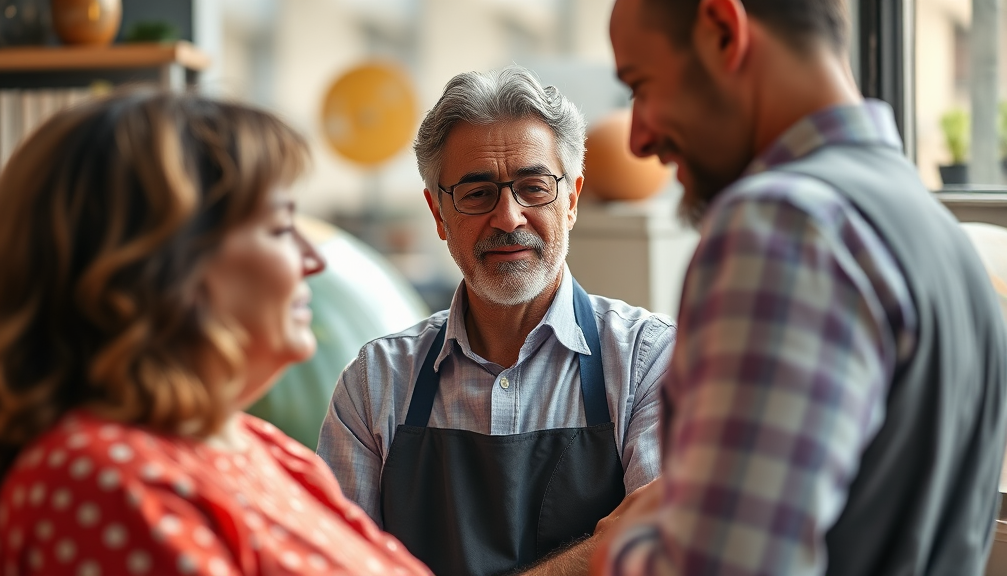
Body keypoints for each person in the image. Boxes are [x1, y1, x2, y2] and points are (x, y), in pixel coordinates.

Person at [592, 0, 1007, 574]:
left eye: (641, 85)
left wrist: (620, 544)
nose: (638, 139)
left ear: (722, 30)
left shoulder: (784, 224)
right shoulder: (947, 241)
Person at [0, 90, 431, 576]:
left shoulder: (263, 447)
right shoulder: (99, 480)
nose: (313, 259)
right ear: (170, 266)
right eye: (281, 228)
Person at [316, 65, 676, 576]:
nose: (508, 217)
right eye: (477, 193)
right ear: (438, 215)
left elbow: (663, 557)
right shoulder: (375, 383)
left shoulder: (649, 361)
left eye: (534, 187)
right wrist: (593, 555)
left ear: (571, 201)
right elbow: (335, 567)